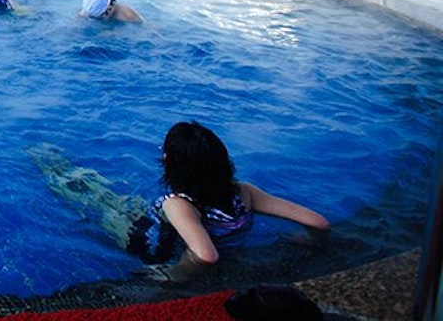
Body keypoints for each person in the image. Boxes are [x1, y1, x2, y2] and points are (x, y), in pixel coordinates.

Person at [31, 121, 330, 283]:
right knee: (111, 195)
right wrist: (302, 240)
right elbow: (318, 221)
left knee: (87, 197)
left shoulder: (179, 204)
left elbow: (206, 255)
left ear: (174, 165)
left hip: (144, 242)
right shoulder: (244, 192)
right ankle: (54, 159)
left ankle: (44, 160)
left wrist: (169, 277)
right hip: (169, 225)